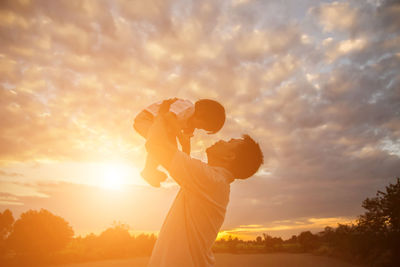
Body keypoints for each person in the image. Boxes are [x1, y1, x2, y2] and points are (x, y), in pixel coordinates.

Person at [145, 100, 263, 267]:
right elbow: (185, 171)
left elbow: (156, 144)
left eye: (229, 142)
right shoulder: (215, 182)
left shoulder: (212, 180)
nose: (222, 141)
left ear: (230, 157)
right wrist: (185, 145)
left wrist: (162, 113)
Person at [133, 98, 226, 187]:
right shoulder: (187, 106)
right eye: (201, 125)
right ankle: (149, 170)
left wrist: (186, 163)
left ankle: (150, 170)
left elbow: (186, 144)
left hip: (160, 126)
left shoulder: (190, 125)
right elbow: (169, 116)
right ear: (201, 113)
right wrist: (181, 136)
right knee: (162, 143)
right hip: (146, 119)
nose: (198, 128)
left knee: (170, 147)